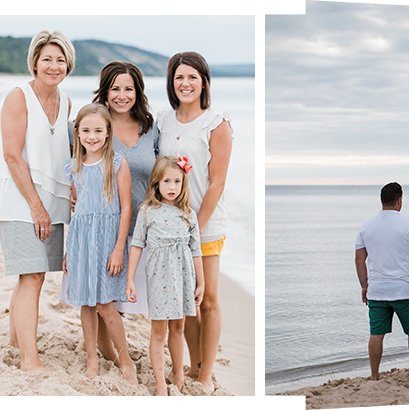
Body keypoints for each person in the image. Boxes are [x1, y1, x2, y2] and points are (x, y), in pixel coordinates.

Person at [0, 30, 75, 373]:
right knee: (33, 276)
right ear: (35, 63)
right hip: (20, 197)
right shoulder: (18, 96)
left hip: (51, 200)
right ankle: (30, 360)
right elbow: (13, 156)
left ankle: (16, 343)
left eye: (60, 60)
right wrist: (36, 206)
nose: (53, 66)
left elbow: (63, 154)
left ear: (68, 64)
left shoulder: (67, 101)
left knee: (31, 276)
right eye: (47, 59)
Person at [72, 61, 161, 363]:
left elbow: (162, 172)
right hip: (102, 229)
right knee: (100, 299)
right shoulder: (95, 125)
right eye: (115, 88)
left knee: (125, 301)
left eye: (129, 88)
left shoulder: (150, 128)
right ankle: (109, 356)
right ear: (105, 91)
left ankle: (115, 355)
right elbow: (79, 167)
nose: (122, 95)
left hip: (142, 228)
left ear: (138, 91)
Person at [157, 51, 233, 393]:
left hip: (206, 224)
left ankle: (205, 376)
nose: (185, 83)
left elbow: (217, 182)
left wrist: (196, 228)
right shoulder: (163, 120)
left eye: (192, 77)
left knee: (210, 297)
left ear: (204, 81)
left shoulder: (216, 122)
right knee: (185, 300)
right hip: (170, 227)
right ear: (171, 83)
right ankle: (194, 363)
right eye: (179, 78)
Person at [62, 103, 138, 383]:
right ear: (77, 133)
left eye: (98, 130)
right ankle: (91, 357)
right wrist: (70, 251)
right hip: (82, 242)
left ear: (108, 133)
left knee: (106, 304)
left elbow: (126, 208)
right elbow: (78, 212)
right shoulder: (73, 167)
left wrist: (119, 248)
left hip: (108, 242)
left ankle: (126, 360)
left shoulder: (117, 162)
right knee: (86, 302)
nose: (91, 136)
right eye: (86, 130)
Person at [127, 156, 205, 395]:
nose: (172, 187)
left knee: (179, 329)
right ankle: (160, 383)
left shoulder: (188, 214)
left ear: (183, 184)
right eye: (167, 181)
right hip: (159, 279)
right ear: (156, 184)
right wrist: (130, 279)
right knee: (159, 332)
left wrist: (201, 283)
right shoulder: (148, 211)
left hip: (183, 278)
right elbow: (137, 244)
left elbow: (196, 250)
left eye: (177, 182)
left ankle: (178, 376)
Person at [355, 182, 409, 380]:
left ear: (382, 201)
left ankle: (374, 376)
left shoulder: (367, 226)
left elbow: (359, 259)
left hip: (377, 290)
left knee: (376, 334)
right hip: (404, 289)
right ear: (399, 201)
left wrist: (364, 286)